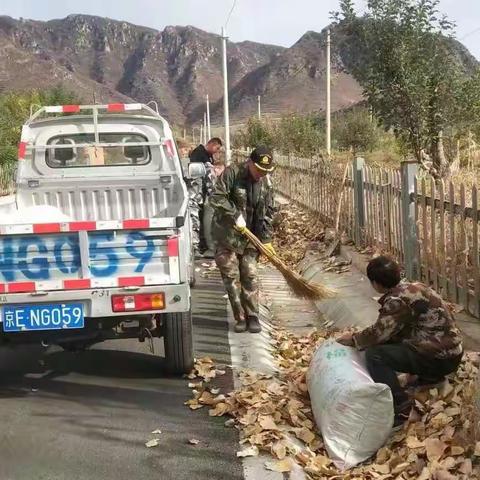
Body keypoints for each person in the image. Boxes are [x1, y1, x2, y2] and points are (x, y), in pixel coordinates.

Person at [337, 256, 463, 427]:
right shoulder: (414, 287)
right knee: (392, 343)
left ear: (375, 283)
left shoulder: (397, 300)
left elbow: (378, 334)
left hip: (440, 357)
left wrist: (353, 339)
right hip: (451, 352)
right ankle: (429, 378)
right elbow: (396, 330)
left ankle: (401, 407)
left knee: (376, 355)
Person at [210, 146, 276, 334]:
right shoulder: (232, 174)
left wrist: (266, 239)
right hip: (227, 236)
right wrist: (234, 215)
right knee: (231, 277)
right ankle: (239, 316)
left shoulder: (266, 183)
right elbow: (216, 197)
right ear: (249, 163)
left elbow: (268, 213)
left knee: (250, 274)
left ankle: (253, 315)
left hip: (251, 237)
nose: (262, 174)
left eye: (266, 171)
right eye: (259, 170)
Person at [189, 138, 223, 255]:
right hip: (195, 193)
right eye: (217, 148)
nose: (216, 152)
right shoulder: (199, 153)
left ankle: (201, 245)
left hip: (200, 193)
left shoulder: (207, 155)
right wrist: (213, 193)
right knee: (194, 220)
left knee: (202, 219)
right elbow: (209, 176)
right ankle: (195, 248)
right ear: (212, 144)